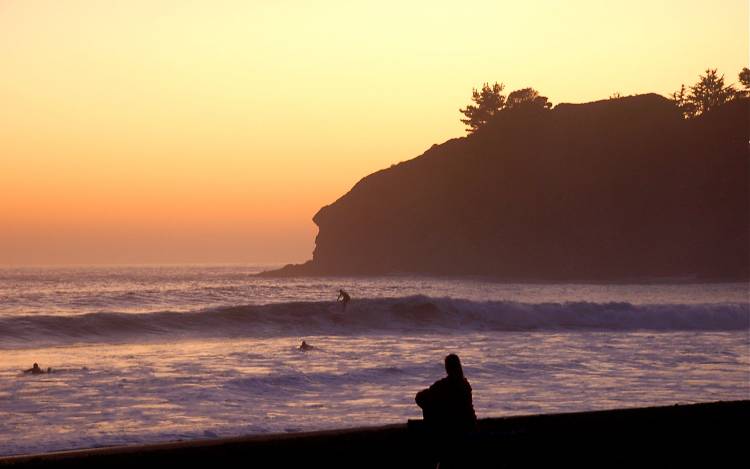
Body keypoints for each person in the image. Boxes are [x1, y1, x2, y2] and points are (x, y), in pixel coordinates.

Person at [415, 354, 477, 467]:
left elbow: (419, 397)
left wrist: (431, 410)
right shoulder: (465, 385)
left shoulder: (443, 385)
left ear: (447, 368)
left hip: (448, 430)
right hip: (464, 427)